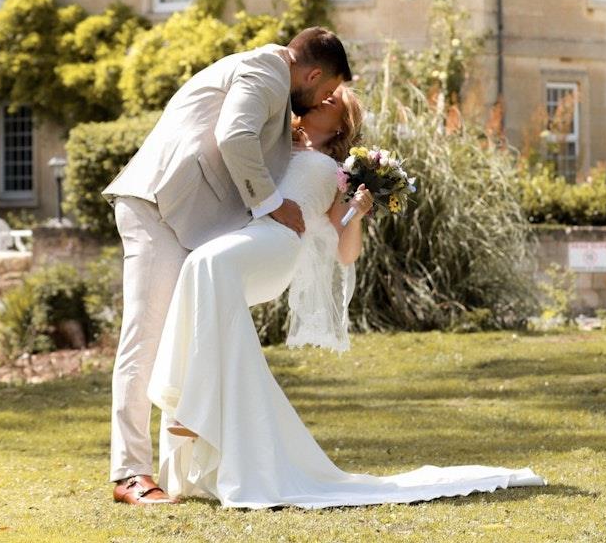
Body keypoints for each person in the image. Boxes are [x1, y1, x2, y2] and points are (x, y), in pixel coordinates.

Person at [148, 86, 546, 508]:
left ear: (343, 124)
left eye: (334, 101)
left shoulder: (338, 173)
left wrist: (359, 207)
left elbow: (345, 250)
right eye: (322, 94)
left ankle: (195, 406)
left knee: (210, 264)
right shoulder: (276, 142)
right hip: (247, 237)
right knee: (199, 266)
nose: (322, 99)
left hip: (280, 245)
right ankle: (193, 407)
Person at [103, 27, 352, 505]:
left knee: (177, 333)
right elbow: (234, 135)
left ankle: (176, 462)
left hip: (184, 216)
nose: (321, 100)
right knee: (146, 335)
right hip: (157, 206)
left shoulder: (274, 83)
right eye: (324, 91)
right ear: (314, 73)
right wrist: (272, 204)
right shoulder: (266, 70)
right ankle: (130, 474)